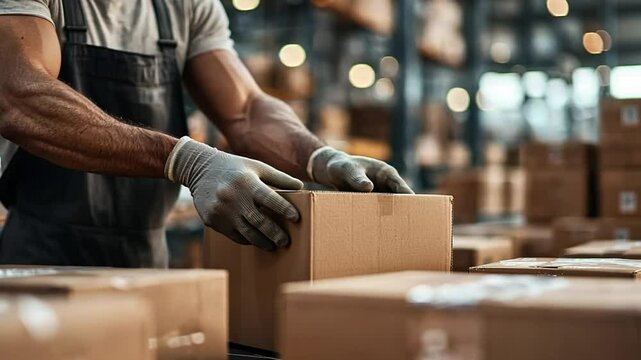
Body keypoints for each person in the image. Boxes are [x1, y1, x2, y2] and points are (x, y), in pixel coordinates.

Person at [0, 0, 413, 268]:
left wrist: (319, 157)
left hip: (148, 261)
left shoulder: (185, 5)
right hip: (38, 261)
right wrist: (187, 160)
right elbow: (18, 95)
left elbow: (247, 109)